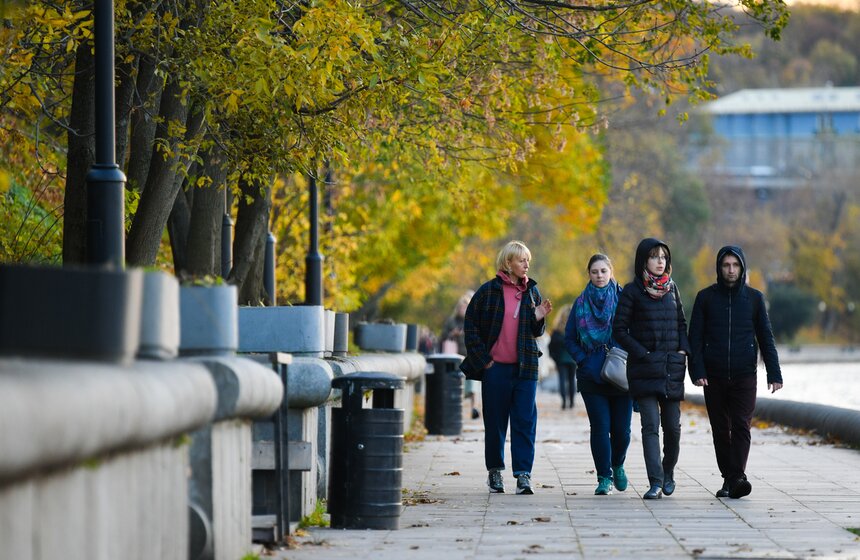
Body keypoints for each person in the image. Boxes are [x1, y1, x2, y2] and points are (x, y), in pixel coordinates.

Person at [688, 245, 783, 499]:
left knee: (741, 425)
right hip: (713, 375)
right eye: (726, 265)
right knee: (720, 428)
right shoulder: (705, 298)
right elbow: (694, 339)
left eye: (735, 265)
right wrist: (696, 369)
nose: (731, 270)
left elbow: (766, 337)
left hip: (744, 375)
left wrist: (774, 373)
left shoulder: (754, 298)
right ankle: (730, 479)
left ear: (742, 268)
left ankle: (737, 477)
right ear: (719, 268)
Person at [460, 240, 552, 495]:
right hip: (496, 369)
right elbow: (471, 327)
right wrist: (483, 360)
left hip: (525, 369)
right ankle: (495, 472)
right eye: (522, 260)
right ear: (508, 262)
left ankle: (523, 475)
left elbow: (535, 332)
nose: (526, 265)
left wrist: (538, 317)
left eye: (528, 261)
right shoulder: (488, 292)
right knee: (496, 422)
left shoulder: (532, 292)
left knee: (524, 421)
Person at [613, 238, 690, 500]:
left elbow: (681, 323)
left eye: (664, 257)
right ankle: (655, 482)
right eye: (654, 257)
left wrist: (682, 351)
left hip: (671, 368)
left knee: (673, 428)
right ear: (643, 260)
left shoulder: (673, 289)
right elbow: (619, 331)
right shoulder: (632, 291)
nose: (660, 261)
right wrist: (642, 353)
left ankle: (668, 472)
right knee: (650, 426)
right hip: (644, 369)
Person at [564, 253, 633, 496]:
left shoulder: (625, 298)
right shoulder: (580, 302)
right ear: (589, 274)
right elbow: (569, 338)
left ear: (611, 271)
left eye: (603, 271)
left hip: (621, 374)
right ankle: (604, 477)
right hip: (592, 376)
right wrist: (584, 360)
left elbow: (635, 331)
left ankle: (618, 464)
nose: (599, 276)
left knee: (622, 430)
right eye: (595, 272)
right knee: (600, 427)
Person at [442, 290, 480, 419]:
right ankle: (457, 409)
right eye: (461, 307)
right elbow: (442, 337)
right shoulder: (451, 321)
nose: (462, 309)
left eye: (465, 307)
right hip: (455, 356)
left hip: (470, 355)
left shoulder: (473, 320)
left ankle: (473, 408)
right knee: (457, 384)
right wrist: (452, 334)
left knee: (472, 383)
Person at [548, 304, 577, 410]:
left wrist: (554, 358)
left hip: (561, 359)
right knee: (571, 380)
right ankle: (571, 402)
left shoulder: (557, 331)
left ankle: (565, 402)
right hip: (571, 359)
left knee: (562, 380)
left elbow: (551, 347)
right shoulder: (575, 329)